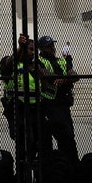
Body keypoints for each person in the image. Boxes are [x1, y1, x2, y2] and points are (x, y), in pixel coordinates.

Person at [36, 35, 79, 163]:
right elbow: (44, 74)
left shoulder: (62, 60)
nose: (52, 48)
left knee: (68, 139)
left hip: (63, 105)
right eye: (49, 46)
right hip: (48, 105)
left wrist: (64, 79)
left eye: (52, 45)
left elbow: (75, 76)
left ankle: (70, 167)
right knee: (49, 141)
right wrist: (65, 78)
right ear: (42, 48)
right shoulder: (38, 60)